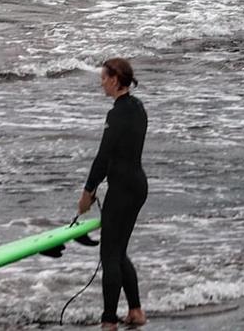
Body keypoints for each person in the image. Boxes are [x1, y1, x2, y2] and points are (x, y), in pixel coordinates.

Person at [77, 57, 148, 329]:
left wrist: (87, 192)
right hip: (137, 185)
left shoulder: (116, 114)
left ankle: (109, 321)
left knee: (110, 255)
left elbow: (104, 157)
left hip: (122, 189)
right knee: (119, 252)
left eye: (104, 79)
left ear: (116, 80)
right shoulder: (138, 107)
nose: (101, 84)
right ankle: (136, 311)